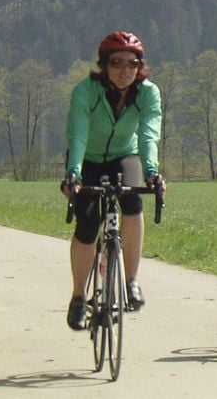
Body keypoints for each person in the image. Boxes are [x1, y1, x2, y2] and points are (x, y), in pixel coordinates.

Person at [61, 31, 165, 331]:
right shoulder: (86, 91)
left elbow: (148, 134)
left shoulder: (148, 93)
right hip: (89, 159)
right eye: (117, 63)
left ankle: (131, 281)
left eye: (132, 64)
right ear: (104, 65)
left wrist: (152, 172)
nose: (125, 70)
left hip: (124, 155)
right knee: (88, 225)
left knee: (133, 202)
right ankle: (79, 297)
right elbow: (78, 133)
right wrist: (74, 173)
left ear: (139, 66)